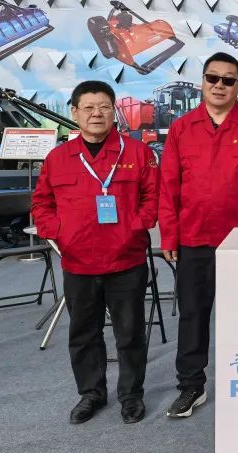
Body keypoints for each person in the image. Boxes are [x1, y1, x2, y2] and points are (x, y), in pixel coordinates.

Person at [158, 53, 238, 419]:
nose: (220, 86)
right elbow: (169, 186)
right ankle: (191, 386)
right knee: (193, 315)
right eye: (213, 78)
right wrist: (169, 236)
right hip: (194, 238)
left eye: (229, 80)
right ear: (202, 82)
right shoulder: (182, 129)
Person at [31, 80, 159, 425]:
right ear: (74, 112)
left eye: (103, 107)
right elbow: (42, 203)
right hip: (79, 262)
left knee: (129, 333)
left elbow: (152, 198)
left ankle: (131, 395)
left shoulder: (137, 153)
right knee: (84, 334)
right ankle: (91, 394)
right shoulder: (59, 158)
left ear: (113, 111)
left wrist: (134, 226)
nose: (96, 114)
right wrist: (58, 232)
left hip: (126, 260)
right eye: (88, 107)